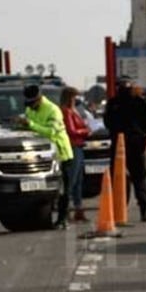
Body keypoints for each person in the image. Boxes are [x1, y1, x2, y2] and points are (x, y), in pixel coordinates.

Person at [102, 76, 146, 222]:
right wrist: (139, 131)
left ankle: (121, 210)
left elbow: (107, 123)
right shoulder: (141, 103)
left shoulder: (113, 103)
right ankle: (143, 210)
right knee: (140, 177)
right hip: (137, 144)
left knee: (119, 177)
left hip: (118, 146)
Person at [22, 83, 74, 229]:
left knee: (63, 189)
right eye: (27, 104)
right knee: (45, 189)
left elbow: (51, 132)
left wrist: (30, 124)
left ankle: (63, 219)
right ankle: (45, 219)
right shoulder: (30, 109)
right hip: (42, 155)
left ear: (39, 99)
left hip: (61, 154)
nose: (30, 106)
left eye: (32, 103)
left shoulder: (53, 110)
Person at [60, 87, 90, 222]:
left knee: (78, 180)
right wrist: (85, 131)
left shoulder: (74, 111)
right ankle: (66, 209)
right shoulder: (66, 111)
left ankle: (78, 209)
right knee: (71, 179)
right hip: (73, 146)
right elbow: (71, 130)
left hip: (79, 145)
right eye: (74, 97)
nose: (76, 100)